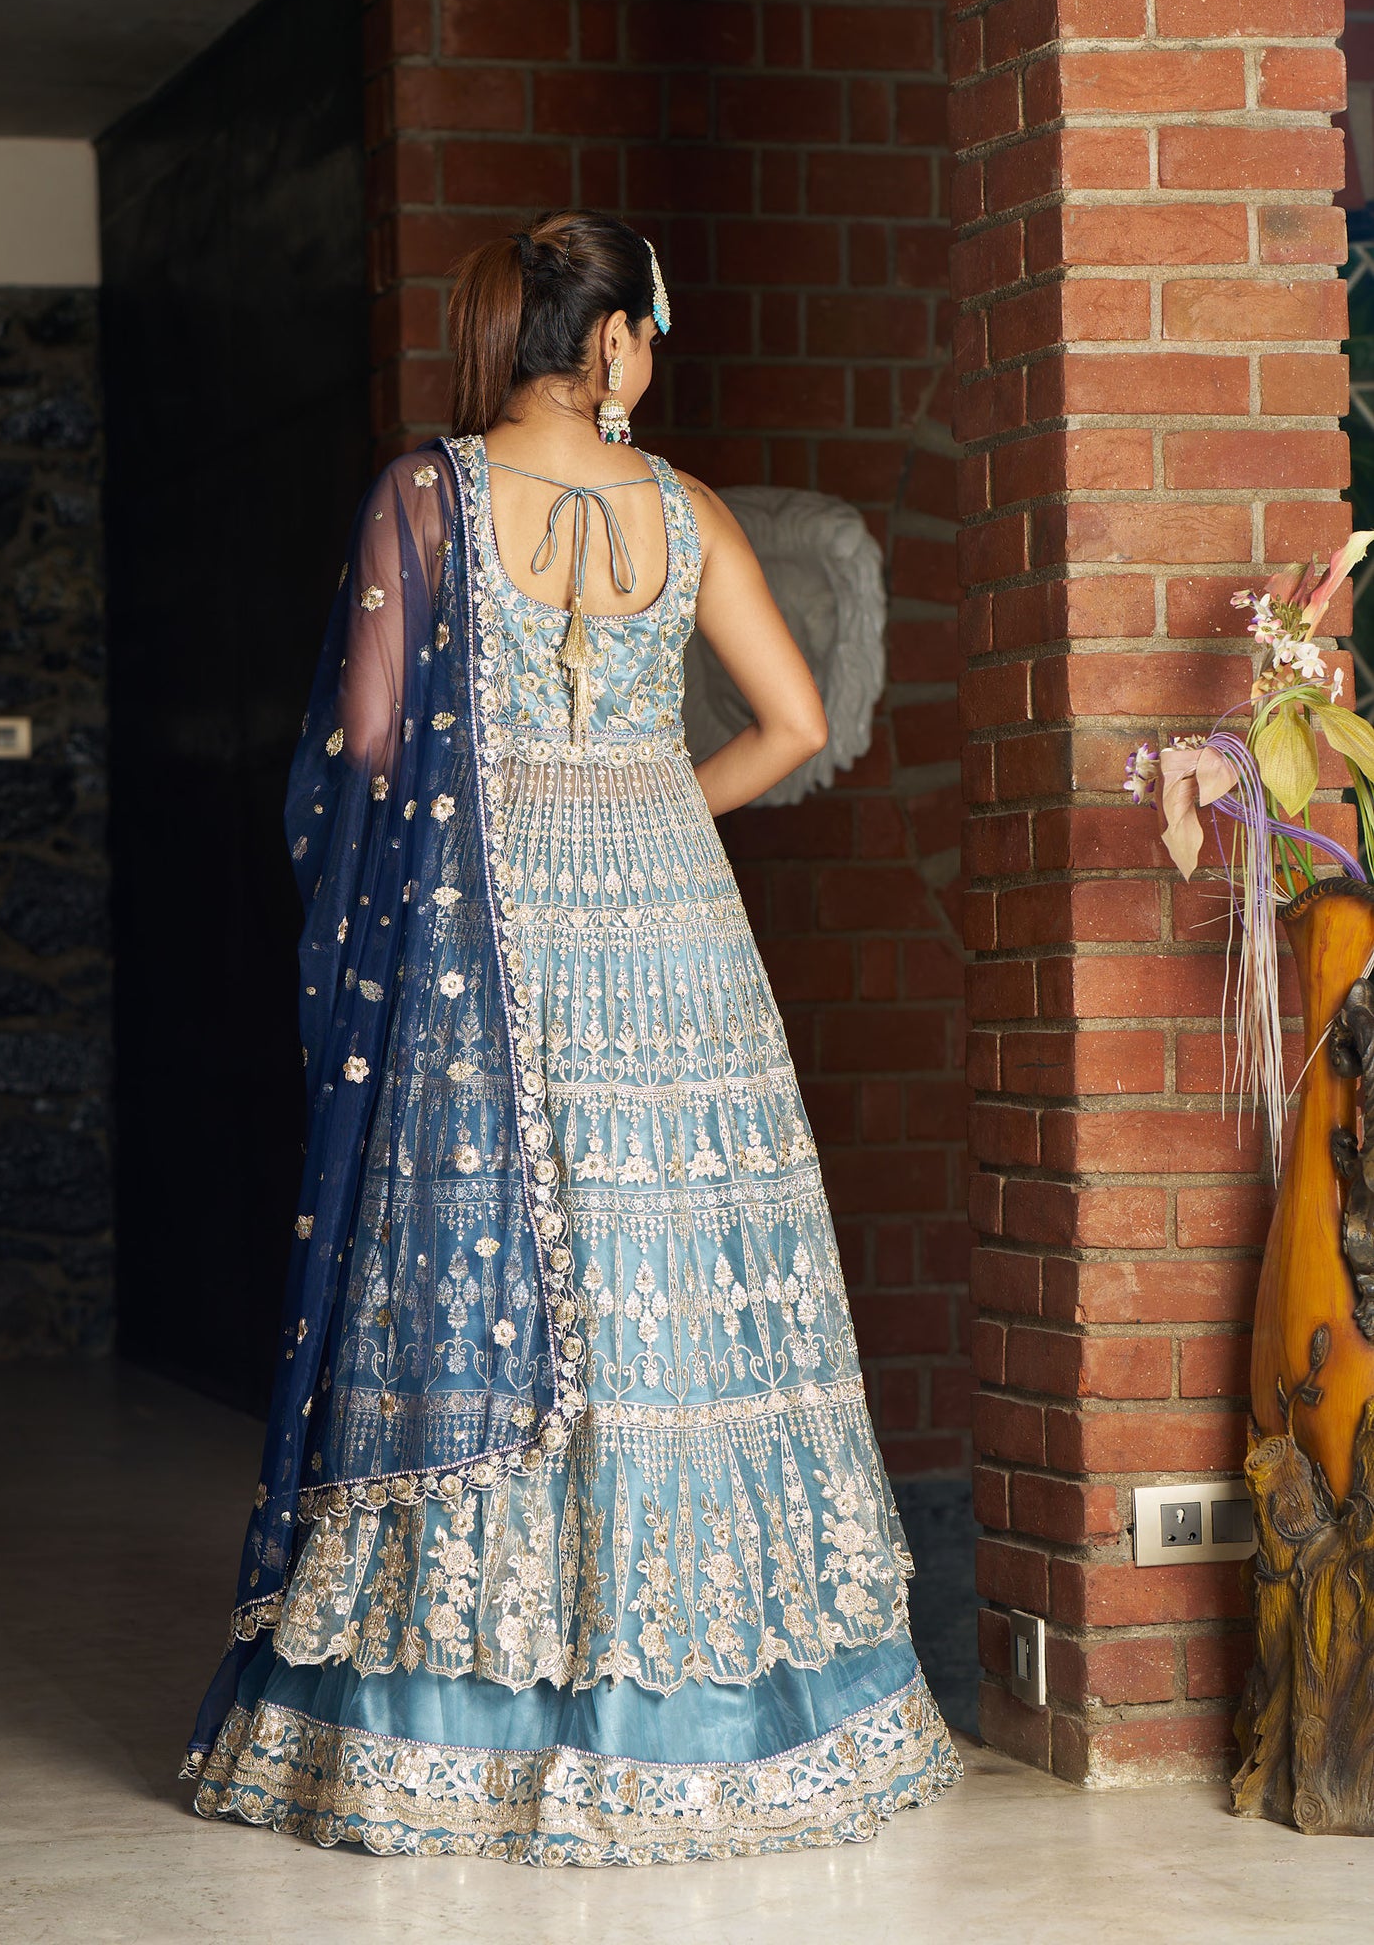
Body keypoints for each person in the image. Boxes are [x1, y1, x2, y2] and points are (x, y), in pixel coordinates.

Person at [182, 207, 961, 1864]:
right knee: (676, 1273)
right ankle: (735, 1723)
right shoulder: (678, 507)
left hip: (492, 926)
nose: (651, 363)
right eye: (648, 336)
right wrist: (655, 805)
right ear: (607, 345)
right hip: (676, 929)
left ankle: (451, 1730)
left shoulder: (425, 495)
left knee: (482, 1257)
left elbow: (377, 738)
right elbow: (798, 724)